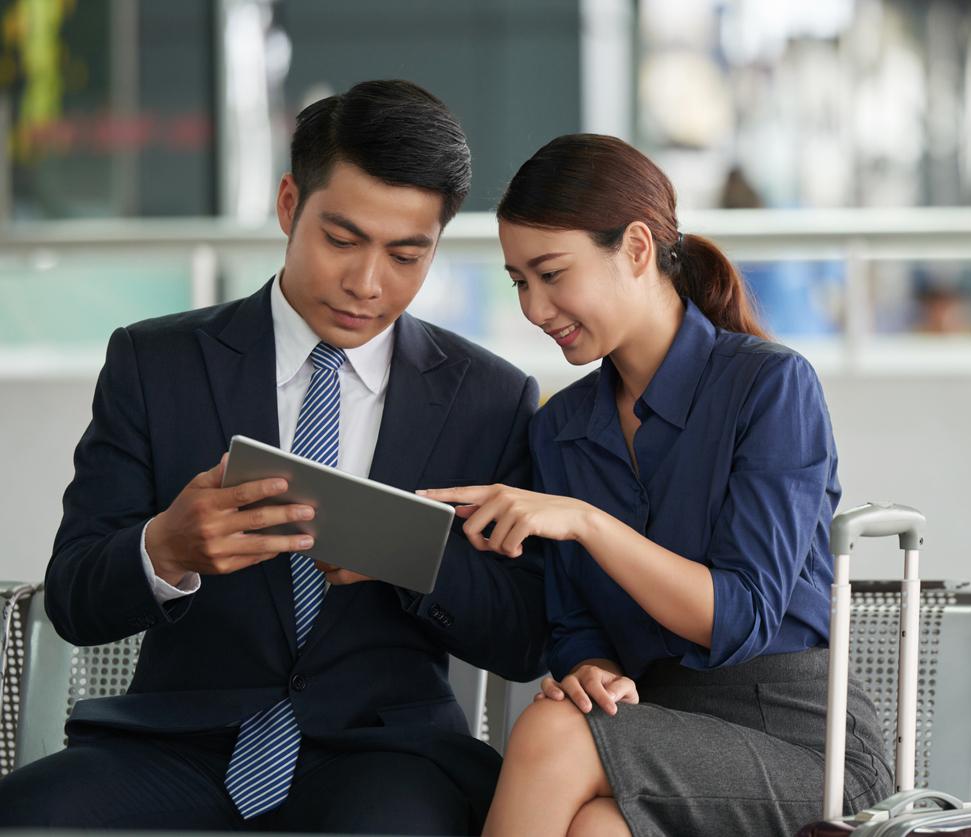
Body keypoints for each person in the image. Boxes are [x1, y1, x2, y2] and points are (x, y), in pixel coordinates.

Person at [0, 80, 547, 834]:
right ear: (290, 204)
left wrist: (414, 561)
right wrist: (165, 548)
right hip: (175, 747)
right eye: (343, 239)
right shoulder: (155, 362)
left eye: (406, 254)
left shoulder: (491, 396)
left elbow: (522, 636)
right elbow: (72, 596)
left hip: (388, 759)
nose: (367, 283)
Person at [423, 134, 892, 837]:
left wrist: (586, 520)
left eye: (552, 273)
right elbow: (573, 621)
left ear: (637, 248)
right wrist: (591, 666)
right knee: (596, 829)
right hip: (659, 725)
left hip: (803, 745)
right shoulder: (562, 427)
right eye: (520, 280)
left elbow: (739, 615)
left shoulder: (769, 386)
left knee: (555, 733)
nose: (534, 306)